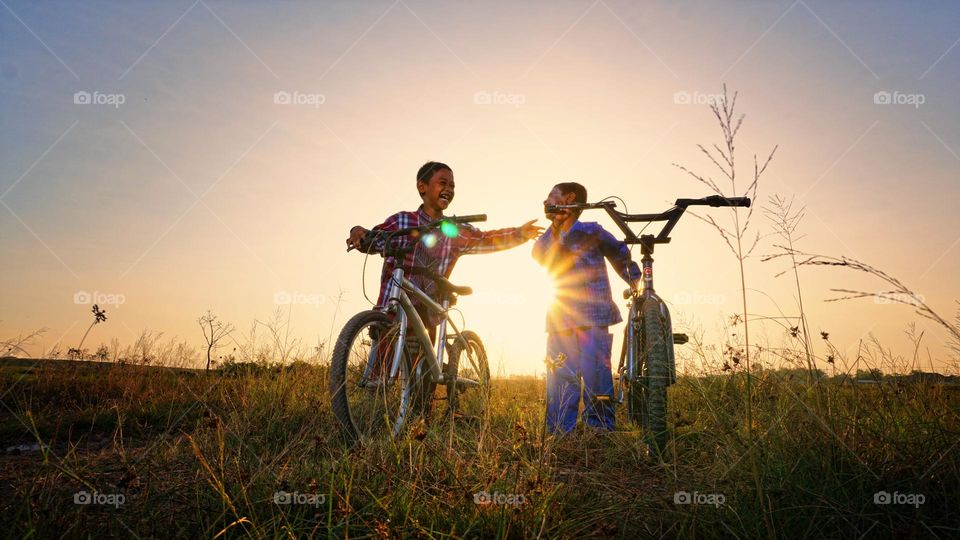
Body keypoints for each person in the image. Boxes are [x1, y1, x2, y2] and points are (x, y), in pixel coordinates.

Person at [345, 162, 542, 373]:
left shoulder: (453, 230)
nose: (449, 189)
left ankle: (427, 388)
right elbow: (376, 238)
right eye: (442, 183)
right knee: (377, 377)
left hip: (428, 311)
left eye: (453, 186)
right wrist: (359, 233)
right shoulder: (403, 221)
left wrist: (519, 233)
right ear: (422, 187)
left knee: (423, 384)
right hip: (393, 310)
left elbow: (485, 239)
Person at [533, 182, 640, 433]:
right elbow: (538, 255)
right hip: (560, 318)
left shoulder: (591, 230)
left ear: (569, 199)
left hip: (595, 316)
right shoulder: (550, 237)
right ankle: (560, 431)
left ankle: (600, 429)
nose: (545, 201)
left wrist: (637, 283)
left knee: (597, 376)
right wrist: (556, 225)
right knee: (560, 375)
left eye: (551, 196)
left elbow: (619, 253)